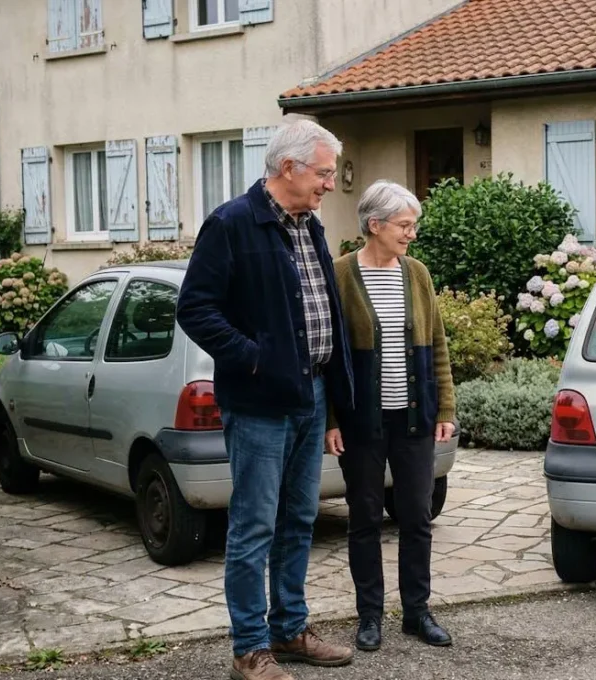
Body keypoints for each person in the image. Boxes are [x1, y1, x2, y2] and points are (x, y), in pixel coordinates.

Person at [176, 118, 356, 680]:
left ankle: (290, 629)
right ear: (289, 168)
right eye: (324, 173)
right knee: (254, 525)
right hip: (258, 401)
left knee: (299, 518)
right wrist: (254, 357)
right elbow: (195, 309)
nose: (331, 183)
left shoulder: (310, 226)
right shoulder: (232, 223)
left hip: (310, 392)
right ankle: (249, 649)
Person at [325, 180, 456, 652]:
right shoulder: (338, 274)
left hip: (414, 418)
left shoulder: (416, 273)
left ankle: (417, 613)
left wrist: (445, 407)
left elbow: (437, 343)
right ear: (374, 225)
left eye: (412, 225)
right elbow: (327, 357)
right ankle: (370, 616)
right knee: (363, 519)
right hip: (362, 422)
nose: (411, 234)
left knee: (417, 517)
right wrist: (331, 420)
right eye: (404, 225)